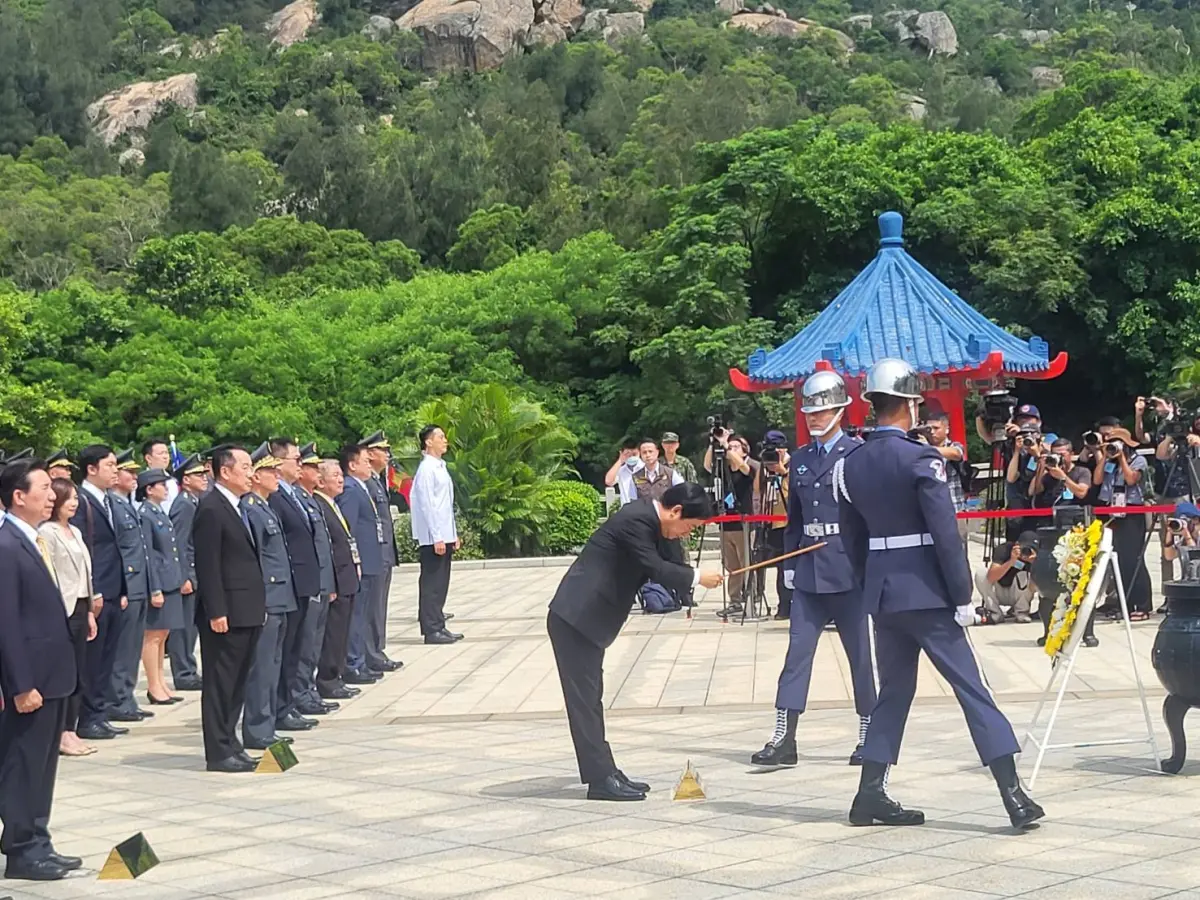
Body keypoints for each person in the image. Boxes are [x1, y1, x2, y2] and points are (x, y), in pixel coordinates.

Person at [836, 358, 1043, 831]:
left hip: (885, 595)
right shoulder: (920, 459)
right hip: (929, 593)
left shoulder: (850, 465)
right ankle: (1013, 795)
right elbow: (945, 535)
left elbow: (852, 541)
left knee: (893, 693)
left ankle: (870, 792)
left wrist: (874, 586)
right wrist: (963, 595)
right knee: (973, 689)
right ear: (909, 404)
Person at [547, 483, 723, 801]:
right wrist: (698, 577)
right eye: (690, 526)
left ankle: (606, 770)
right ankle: (600, 779)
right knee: (584, 703)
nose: (686, 533)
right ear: (676, 511)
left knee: (591, 698)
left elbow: (671, 565)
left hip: (588, 620)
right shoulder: (636, 519)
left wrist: (693, 579)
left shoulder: (655, 523)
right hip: (575, 618)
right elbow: (654, 568)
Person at [750, 372, 876, 768]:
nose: (814, 418)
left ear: (840, 411)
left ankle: (869, 734)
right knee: (797, 655)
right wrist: (790, 562)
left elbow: (870, 517)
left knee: (860, 657)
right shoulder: (800, 459)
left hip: (848, 567)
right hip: (808, 570)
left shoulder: (857, 455)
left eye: (822, 411)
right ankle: (784, 738)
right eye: (810, 411)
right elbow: (796, 519)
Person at [0, 458, 82, 881]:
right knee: (23, 764)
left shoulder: (33, 540)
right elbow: (7, 621)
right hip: (31, 681)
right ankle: (20, 849)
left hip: (53, 675)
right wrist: (20, 683)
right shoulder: (6, 545)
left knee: (44, 764)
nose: (53, 495)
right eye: (46, 488)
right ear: (19, 496)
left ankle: (39, 840)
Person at [194, 445, 265, 773]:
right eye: (246, 466)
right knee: (221, 682)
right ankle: (218, 751)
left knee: (237, 681)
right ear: (226, 471)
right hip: (226, 613)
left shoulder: (236, 506)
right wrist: (216, 610)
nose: (252, 473)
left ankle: (231, 742)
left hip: (246, 609)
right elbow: (208, 564)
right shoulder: (211, 507)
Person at [242, 443, 309, 750]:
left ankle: (267, 723)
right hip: (268, 598)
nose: (275, 474)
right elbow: (255, 559)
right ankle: (257, 728)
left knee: (274, 663)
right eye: (269, 470)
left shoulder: (265, 507)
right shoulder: (251, 510)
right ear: (256, 476)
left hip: (282, 595)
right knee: (262, 666)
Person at [266, 438, 332, 727]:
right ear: (279, 464)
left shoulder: (292, 494)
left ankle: (290, 703)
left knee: (298, 647)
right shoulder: (276, 497)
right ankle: (285, 704)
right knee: (289, 650)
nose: (300, 464)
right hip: (290, 585)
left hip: (305, 583)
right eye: (296, 459)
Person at [70, 445, 129, 743]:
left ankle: (100, 714)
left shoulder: (109, 501)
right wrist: (94, 590)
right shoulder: (81, 502)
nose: (115, 470)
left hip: (113, 590)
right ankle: (87, 718)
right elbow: (84, 552)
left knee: (107, 658)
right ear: (91, 469)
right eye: (109, 465)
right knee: (92, 660)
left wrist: (122, 588)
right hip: (96, 593)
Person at [39, 478, 99, 758]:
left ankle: (71, 729)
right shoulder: (47, 532)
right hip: (62, 608)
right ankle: (61, 732)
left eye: (76, 497)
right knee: (64, 672)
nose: (74, 503)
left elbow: (85, 574)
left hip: (80, 606)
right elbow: (48, 575)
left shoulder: (74, 530)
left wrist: (89, 612)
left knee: (78, 672)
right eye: (69, 498)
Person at [106, 449, 155, 725]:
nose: (133, 477)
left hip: (139, 583)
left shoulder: (126, 503)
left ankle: (126, 696)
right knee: (123, 648)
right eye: (128, 472)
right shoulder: (113, 503)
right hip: (128, 582)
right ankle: (118, 699)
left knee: (132, 646)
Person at [290, 442, 338, 716]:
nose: (317, 471)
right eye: (310, 466)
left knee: (315, 642)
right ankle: (300, 693)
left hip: (321, 581)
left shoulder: (309, 498)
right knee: (305, 643)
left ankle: (308, 690)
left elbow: (323, 544)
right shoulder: (296, 498)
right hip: (309, 583)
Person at [338, 443, 390, 681]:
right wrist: (355, 561)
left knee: (364, 615)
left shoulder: (362, 487)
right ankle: (353, 663)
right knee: (357, 617)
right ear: (352, 465)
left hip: (372, 560)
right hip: (363, 563)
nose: (369, 465)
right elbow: (349, 530)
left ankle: (360, 661)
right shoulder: (350, 489)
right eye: (364, 461)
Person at [410, 425, 464, 645]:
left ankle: (439, 624)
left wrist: (452, 534)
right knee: (432, 583)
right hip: (433, 537)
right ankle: (431, 629)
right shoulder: (426, 469)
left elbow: (445, 506)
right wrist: (437, 536)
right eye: (440, 437)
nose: (445, 440)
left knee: (441, 582)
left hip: (444, 533)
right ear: (428, 442)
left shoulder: (440, 466)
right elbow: (427, 506)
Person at [1091, 426, 1152, 619]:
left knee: (1133, 558)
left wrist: (1122, 458)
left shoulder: (1138, 459)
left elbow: (1131, 479)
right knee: (1117, 559)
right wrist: (1104, 456)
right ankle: (1124, 603)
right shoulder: (1108, 460)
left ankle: (1142, 604)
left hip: (1132, 512)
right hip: (1112, 512)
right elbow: (1097, 479)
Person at [314, 459, 361, 701]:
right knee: (333, 633)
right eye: (334, 475)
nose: (340, 479)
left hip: (347, 575)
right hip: (337, 578)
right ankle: (328, 679)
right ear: (320, 481)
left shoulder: (333, 504)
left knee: (342, 631)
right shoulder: (319, 504)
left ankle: (338, 675)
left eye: (341, 474)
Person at [137, 469, 185, 707]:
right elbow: (148, 554)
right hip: (160, 582)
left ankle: (161, 683)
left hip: (170, 579)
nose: (166, 489)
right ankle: (153, 686)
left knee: (163, 633)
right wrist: (154, 588)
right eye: (161, 485)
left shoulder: (159, 513)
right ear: (149, 489)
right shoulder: (145, 514)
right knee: (153, 636)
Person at [703, 432, 760, 608]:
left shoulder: (752, 465)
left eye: (736, 447)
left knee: (746, 563)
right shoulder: (724, 468)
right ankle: (735, 600)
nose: (730, 449)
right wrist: (714, 443)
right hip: (726, 522)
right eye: (730, 446)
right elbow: (707, 465)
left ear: (744, 450)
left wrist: (727, 445)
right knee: (732, 566)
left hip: (744, 521)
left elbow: (743, 467)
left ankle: (752, 596)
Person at [362, 431, 403, 673]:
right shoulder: (366, 482)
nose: (387, 455)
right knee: (371, 608)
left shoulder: (377, 481)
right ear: (369, 453)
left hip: (384, 553)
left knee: (379, 605)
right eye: (382, 450)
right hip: (375, 555)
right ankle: (371, 652)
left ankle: (377, 649)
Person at [166, 454, 208, 692]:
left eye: (204, 474)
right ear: (186, 479)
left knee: (191, 627)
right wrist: (185, 576)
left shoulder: (193, 501)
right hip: (188, 574)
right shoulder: (183, 504)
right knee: (183, 628)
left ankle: (189, 668)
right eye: (198, 475)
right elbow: (180, 543)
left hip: (196, 572)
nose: (204, 478)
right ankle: (183, 672)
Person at [975, 532, 1038, 624]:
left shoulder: (1036, 557)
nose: (1026, 551)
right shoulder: (1004, 549)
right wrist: (1011, 561)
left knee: (1026, 575)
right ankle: (995, 613)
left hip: (1018, 594)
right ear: (1017, 544)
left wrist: (1035, 562)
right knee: (981, 573)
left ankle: (1021, 613)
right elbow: (991, 577)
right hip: (998, 591)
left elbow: (1041, 582)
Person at [141, 439, 179, 512]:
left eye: (166, 453)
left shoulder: (172, 480)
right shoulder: (142, 481)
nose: (165, 457)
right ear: (148, 458)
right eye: (160, 453)